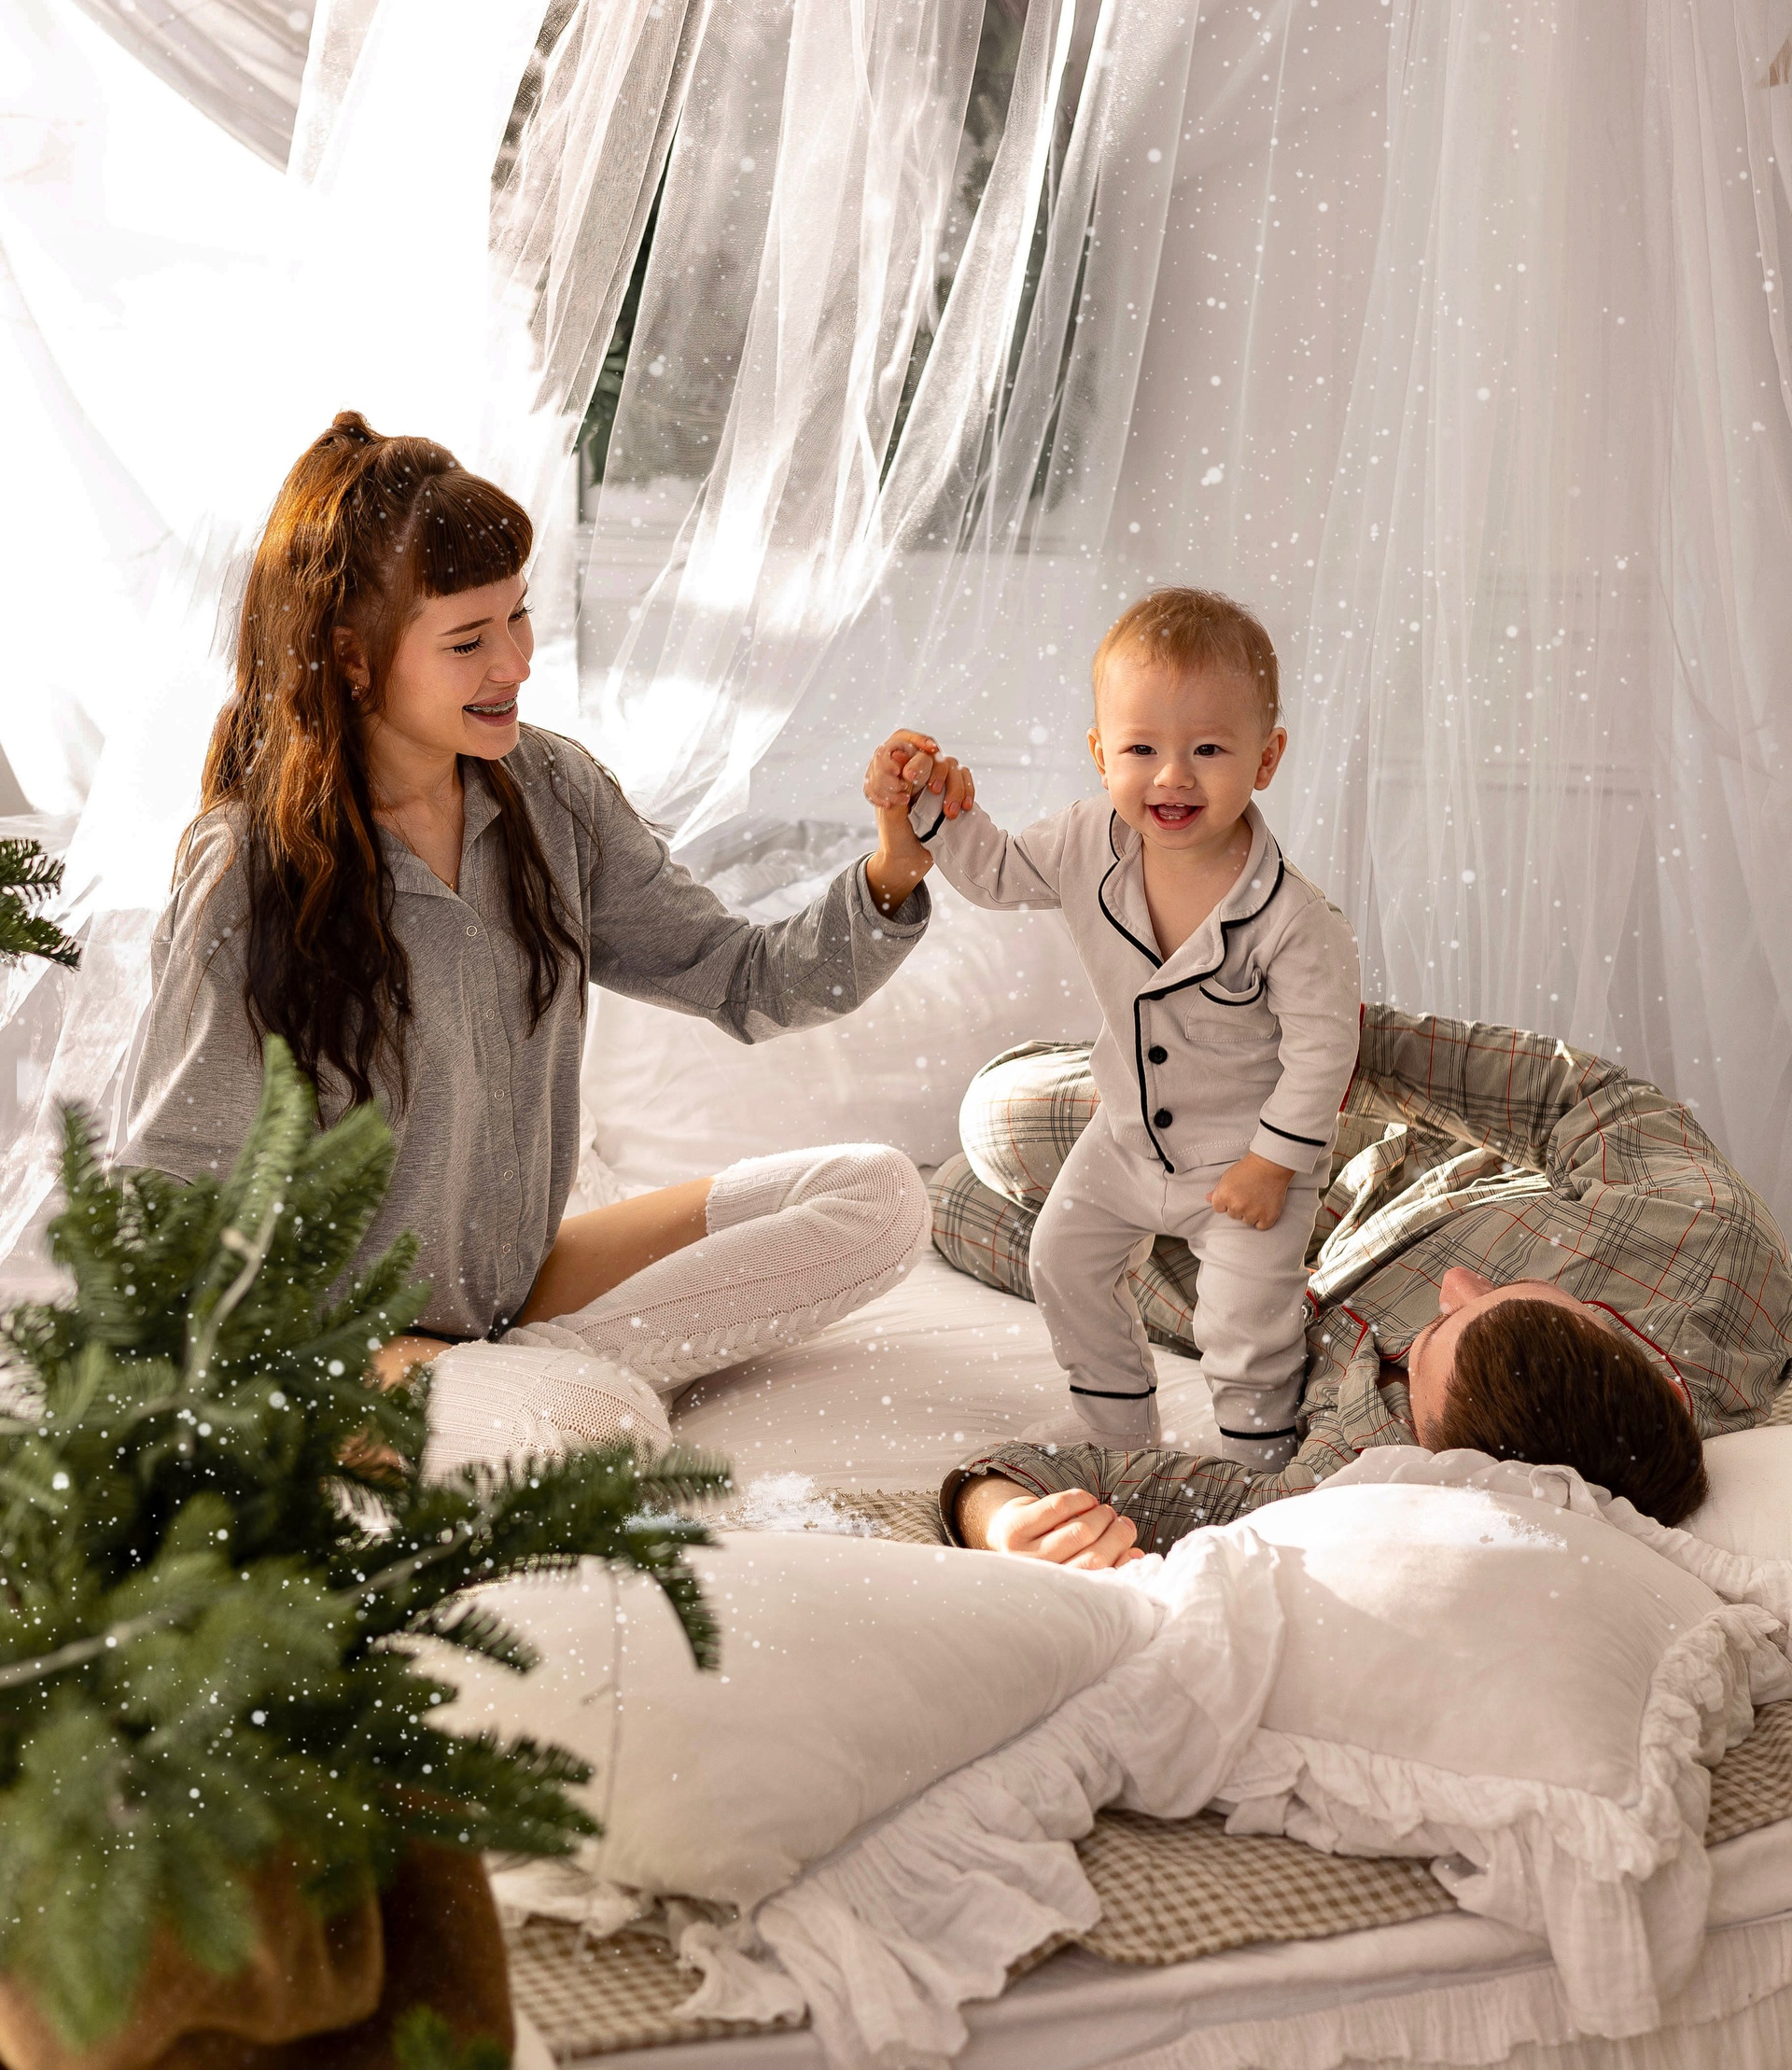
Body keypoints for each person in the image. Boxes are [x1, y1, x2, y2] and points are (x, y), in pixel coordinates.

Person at [125, 411, 943, 1434]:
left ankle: (515, 1383)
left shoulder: (553, 793)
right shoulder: (249, 872)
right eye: (468, 641)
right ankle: (516, 1400)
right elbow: (169, 1193)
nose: (514, 664)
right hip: (341, 1344)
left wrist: (891, 871)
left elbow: (745, 981)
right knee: (598, 1427)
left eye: (518, 618)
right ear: (351, 658)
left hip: (518, 1289)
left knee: (878, 1197)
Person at [926, 1001, 1792, 1563]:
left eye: (1434, 1339)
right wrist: (1328, 1046)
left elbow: (1080, 1484)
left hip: (1270, 1300)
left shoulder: (1365, 1481)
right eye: (1499, 1293)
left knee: (947, 1201)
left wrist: (1000, 1519)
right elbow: (1573, 1096)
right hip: (1373, 1169)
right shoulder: (1705, 1238)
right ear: (1610, 1328)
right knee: (1001, 1119)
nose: (1455, 1285)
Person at [863, 586, 1360, 1475]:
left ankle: (1259, 1471)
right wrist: (932, 804)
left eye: (1209, 749)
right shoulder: (1088, 841)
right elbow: (997, 873)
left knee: (1244, 1327)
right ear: (1100, 754)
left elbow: (1325, 1051)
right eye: (1142, 749)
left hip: (1246, 1158)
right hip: (1126, 1138)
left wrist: (1273, 1163)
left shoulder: (1294, 918)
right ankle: (1120, 1441)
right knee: (1062, 1261)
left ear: (1267, 759)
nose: (1172, 777)